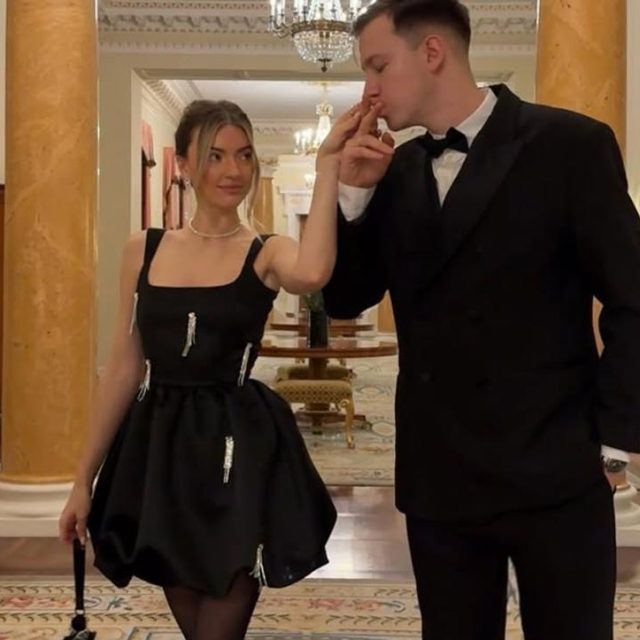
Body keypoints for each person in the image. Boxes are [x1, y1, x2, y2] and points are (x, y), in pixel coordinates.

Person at [322, 1, 640, 639]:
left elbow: (634, 298)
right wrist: (350, 195)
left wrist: (615, 440)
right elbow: (345, 300)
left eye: (379, 66)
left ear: (432, 52)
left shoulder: (570, 145)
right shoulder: (394, 169)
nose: (369, 90)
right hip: (440, 478)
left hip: (556, 469)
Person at [59, 99, 361, 640]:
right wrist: (84, 478)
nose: (233, 170)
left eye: (244, 155)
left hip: (239, 450)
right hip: (163, 452)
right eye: (216, 155)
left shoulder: (266, 251)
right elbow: (124, 367)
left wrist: (327, 167)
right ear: (183, 164)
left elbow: (315, 270)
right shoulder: (143, 250)